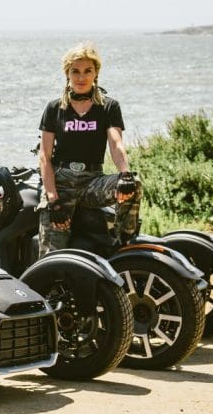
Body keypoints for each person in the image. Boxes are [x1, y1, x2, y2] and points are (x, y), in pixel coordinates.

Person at [37, 41, 142, 257]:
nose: (81, 77)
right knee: (51, 257)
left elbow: (116, 143)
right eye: (75, 71)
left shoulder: (108, 106)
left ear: (96, 73)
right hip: (61, 184)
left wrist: (125, 174)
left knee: (134, 184)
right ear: (67, 74)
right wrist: (52, 199)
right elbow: (45, 157)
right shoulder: (55, 108)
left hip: (92, 183)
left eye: (87, 71)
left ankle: (123, 245)